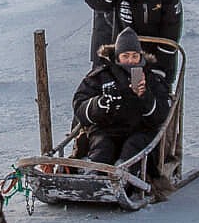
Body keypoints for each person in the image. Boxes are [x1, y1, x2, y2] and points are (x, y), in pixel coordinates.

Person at [71, 28, 174, 166]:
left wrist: (145, 96)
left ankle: (124, 176)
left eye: (134, 56)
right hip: (106, 130)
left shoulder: (152, 78)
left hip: (140, 131)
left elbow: (163, 115)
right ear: (117, 56)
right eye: (125, 56)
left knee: (133, 147)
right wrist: (100, 104)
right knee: (102, 148)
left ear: (140, 56)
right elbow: (79, 106)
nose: (130, 61)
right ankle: (94, 176)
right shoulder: (101, 75)